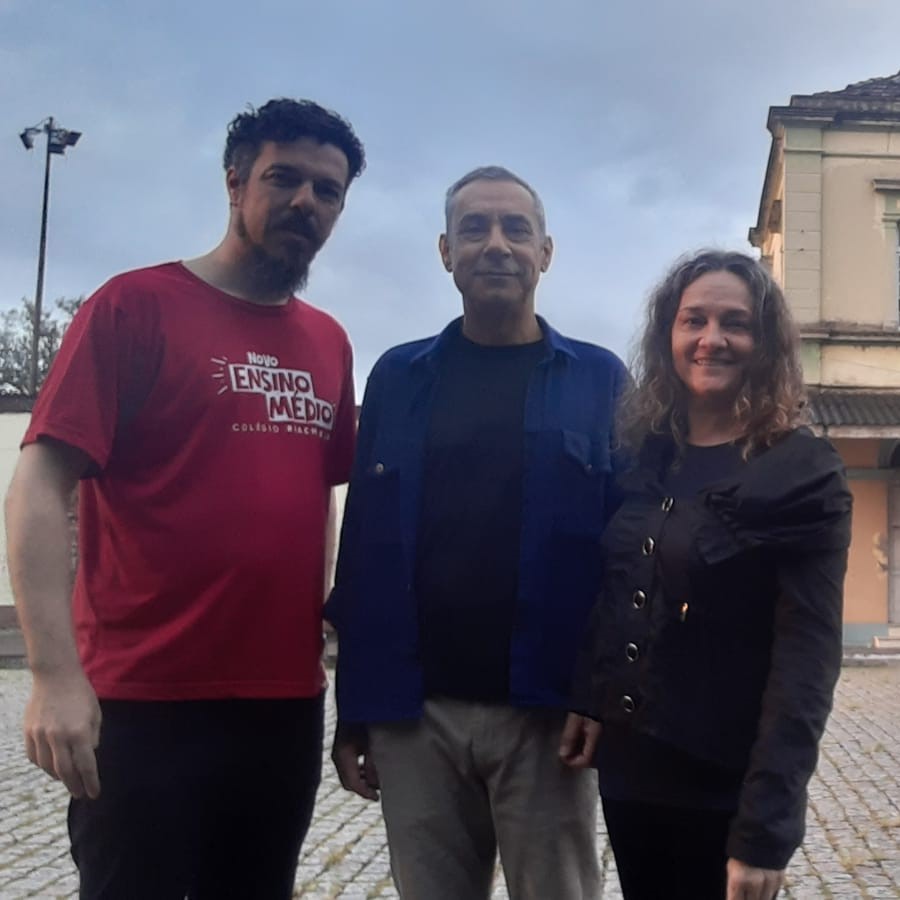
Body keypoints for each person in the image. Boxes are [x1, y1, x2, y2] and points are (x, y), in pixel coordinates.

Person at [4, 98, 365, 900]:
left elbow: (318, 499)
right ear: (235, 183)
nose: (307, 201)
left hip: (282, 705)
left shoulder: (330, 343)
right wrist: (55, 677)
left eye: (328, 190)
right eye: (285, 178)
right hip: (142, 700)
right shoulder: (133, 308)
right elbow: (37, 483)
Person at [325, 165, 628, 900]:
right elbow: (363, 543)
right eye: (475, 229)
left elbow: (627, 557)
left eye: (515, 229)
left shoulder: (599, 380)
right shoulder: (398, 378)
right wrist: (354, 709)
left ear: (545, 252)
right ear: (445, 250)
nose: (496, 245)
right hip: (414, 714)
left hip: (547, 714)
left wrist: (600, 695)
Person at [562, 249, 852, 900]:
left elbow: (806, 665)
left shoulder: (803, 473)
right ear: (669, 334)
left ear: (766, 342)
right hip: (632, 775)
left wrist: (767, 832)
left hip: (723, 786)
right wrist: (588, 694)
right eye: (694, 319)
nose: (711, 338)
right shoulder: (643, 452)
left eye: (735, 323)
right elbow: (617, 588)